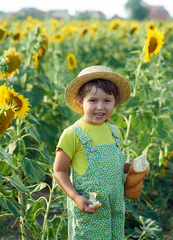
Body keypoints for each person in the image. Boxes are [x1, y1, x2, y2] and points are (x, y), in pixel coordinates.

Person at [53, 65, 134, 239]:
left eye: (107, 100)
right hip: (89, 207)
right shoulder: (73, 134)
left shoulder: (114, 131)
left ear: (115, 102)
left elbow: (115, 166)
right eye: (93, 100)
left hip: (114, 208)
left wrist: (133, 168)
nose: (100, 107)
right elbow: (59, 171)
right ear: (80, 101)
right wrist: (75, 197)